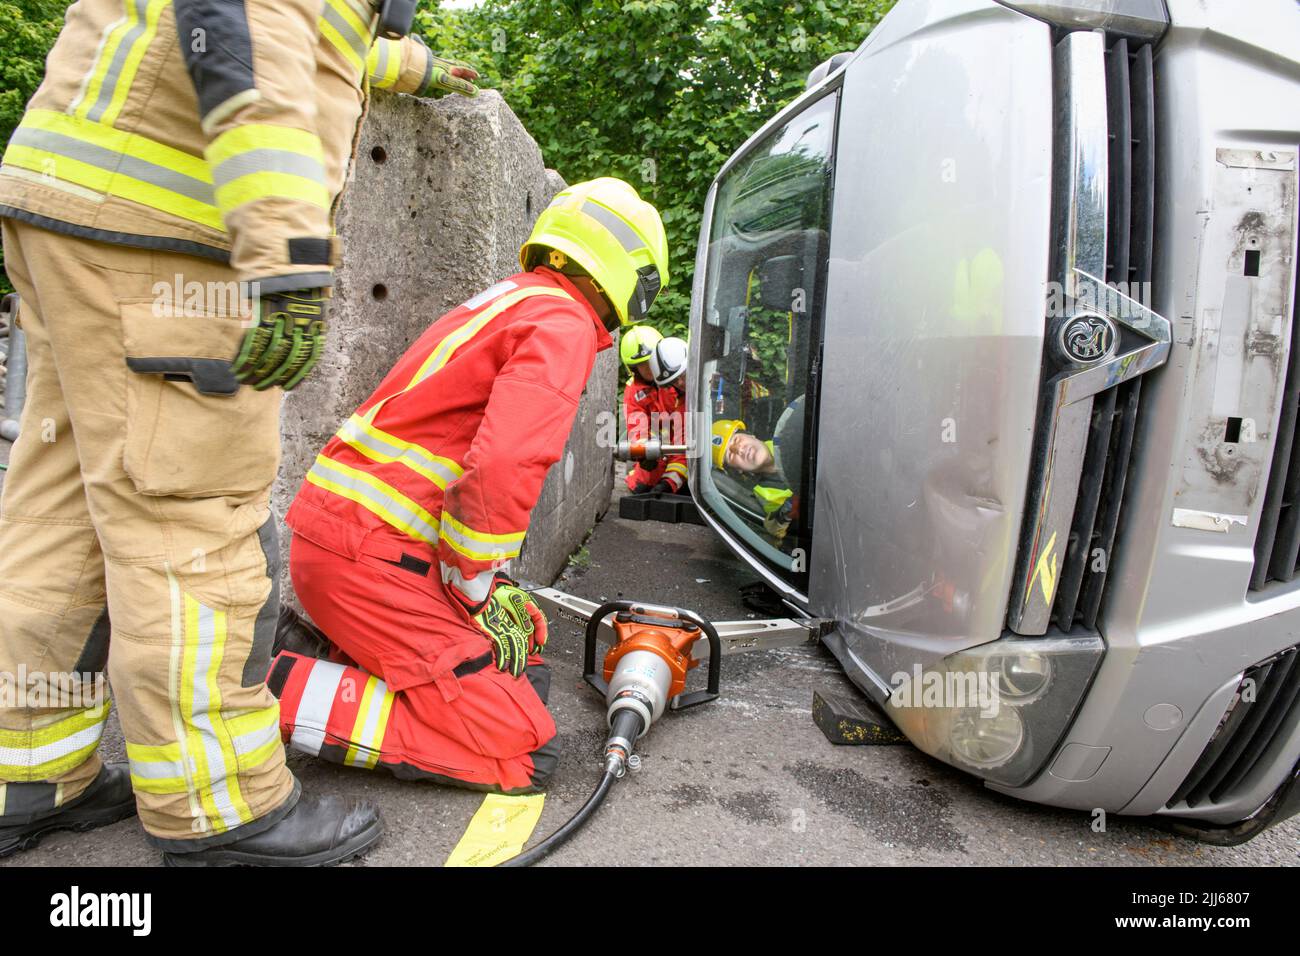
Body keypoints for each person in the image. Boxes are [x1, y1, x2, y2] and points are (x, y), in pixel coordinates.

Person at [0, 0, 477, 865]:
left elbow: (290, 32)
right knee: (192, 515)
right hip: (164, 235)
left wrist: (404, 67)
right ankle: (216, 806)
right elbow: (241, 26)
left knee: (64, 515)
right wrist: (288, 252)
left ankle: (26, 778)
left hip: (72, 203)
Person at [269, 178, 669, 794]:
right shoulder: (563, 323)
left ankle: (317, 652)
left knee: (526, 642)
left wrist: (488, 583)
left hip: (346, 546)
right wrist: (476, 580)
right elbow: (505, 460)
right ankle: (271, 694)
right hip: (370, 557)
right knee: (519, 751)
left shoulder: (516, 300)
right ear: (625, 272)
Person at [624, 334, 689, 495]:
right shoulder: (634, 392)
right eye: (642, 364)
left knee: (676, 480)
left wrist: (669, 482)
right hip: (658, 451)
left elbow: (683, 432)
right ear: (633, 368)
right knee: (642, 488)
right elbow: (637, 429)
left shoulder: (677, 383)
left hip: (680, 446)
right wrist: (643, 454)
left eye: (650, 362)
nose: (648, 367)